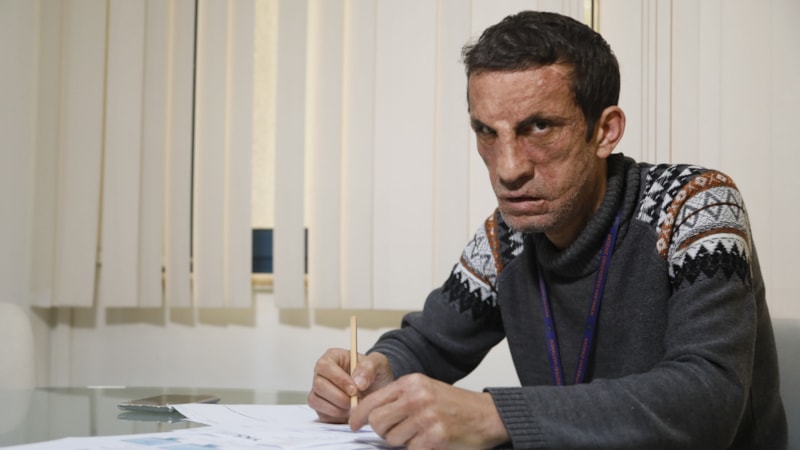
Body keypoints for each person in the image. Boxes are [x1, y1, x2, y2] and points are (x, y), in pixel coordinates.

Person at [307, 10, 787, 449]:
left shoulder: (696, 204)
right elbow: (428, 343)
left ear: (605, 131)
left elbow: (710, 399)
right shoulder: (506, 238)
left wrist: (497, 415)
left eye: (538, 127)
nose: (508, 169)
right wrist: (375, 371)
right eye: (487, 132)